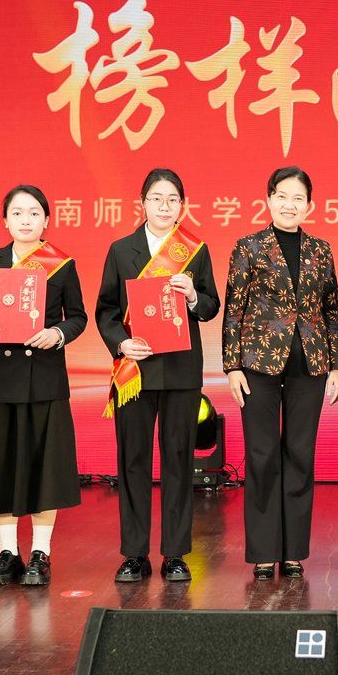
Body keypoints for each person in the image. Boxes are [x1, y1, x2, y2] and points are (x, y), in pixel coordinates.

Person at [94, 168, 220, 584]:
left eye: (172, 200)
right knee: (132, 460)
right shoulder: (121, 250)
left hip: (181, 370)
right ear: (142, 203)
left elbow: (211, 306)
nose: (165, 206)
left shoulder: (194, 250)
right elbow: (106, 310)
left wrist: (194, 296)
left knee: (178, 460)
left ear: (182, 205)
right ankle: (134, 553)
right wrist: (121, 343)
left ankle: (175, 553)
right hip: (136, 369)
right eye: (156, 198)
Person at [0, 185, 88, 587]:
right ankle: (7, 552)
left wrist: (58, 333)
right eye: (17, 213)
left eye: (34, 213)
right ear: (5, 221)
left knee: (43, 466)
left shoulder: (61, 264)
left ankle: (40, 553)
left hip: (44, 376)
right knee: (1, 464)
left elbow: (78, 316)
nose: (26, 220)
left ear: (47, 220)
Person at [223, 167, 338, 580]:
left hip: (309, 366)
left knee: (300, 455)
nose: (289, 205)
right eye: (282, 196)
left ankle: (293, 551)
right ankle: (263, 551)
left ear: (310, 205)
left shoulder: (320, 250)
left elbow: (332, 310)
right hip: (257, 364)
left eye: (298, 198)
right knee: (261, 456)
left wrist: (336, 365)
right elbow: (234, 309)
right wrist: (232, 365)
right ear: (269, 200)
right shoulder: (248, 247)